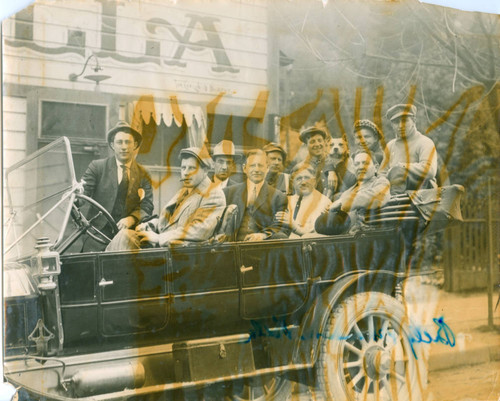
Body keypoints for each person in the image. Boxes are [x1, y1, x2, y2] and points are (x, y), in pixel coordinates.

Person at [106, 147, 225, 250]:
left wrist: (159, 238)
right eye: (183, 168)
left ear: (205, 171)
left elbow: (199, 230)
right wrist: (150, 225)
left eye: (191, 168)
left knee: (126, 238)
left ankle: (105, 276)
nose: (186, 173)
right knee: (124, 235)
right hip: (166, 246)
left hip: (180, 253)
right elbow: (169, 221)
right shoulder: (185, 191)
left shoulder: (213, 194)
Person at [81, 121, 153, 251]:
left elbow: (147, 206)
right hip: (97, 233)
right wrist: (76, 195)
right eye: (119, 142)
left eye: (128, 142)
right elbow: (83, 193)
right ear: (112, 145)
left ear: (135, 145)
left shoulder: (143, 174)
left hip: (126, 235)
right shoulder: (97, 167)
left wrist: (132, 219)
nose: (124, 147)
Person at [315, 150, 391, 235]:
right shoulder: (347, 192)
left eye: (365, 163)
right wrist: (329, 213)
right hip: (347, 238)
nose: (360, 167)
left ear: (376, 167)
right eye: (356, 164)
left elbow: (376, 196)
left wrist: (341, 202)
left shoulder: (381, 183)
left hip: (372, 236)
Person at [223, 149, 290, 241]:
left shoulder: (278, 197)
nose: (256, 169)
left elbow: (281, 227)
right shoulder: (228, 193)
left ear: (267, 168)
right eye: (252, 165)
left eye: (260, 166)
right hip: (232, 248)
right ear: (244, 168)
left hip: (261, 249)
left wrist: (263, 235)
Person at [380, 104, 437, 195]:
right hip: (394, 192)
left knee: (398, 170)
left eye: (404, 121)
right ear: (391, 125)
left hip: (421, 194)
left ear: (414, 120)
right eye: (396, 122)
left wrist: (402, 167)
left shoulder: (425, 142)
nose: (400, 126)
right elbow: (382, 173)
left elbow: (430, 171)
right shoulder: (390, 146)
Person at [275, 163, 331, 238]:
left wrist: (294, 227)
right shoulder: (287, 200)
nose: (303, 182)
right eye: (299, 179)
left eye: (307, 178)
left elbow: (315, 233)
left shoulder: (323, 201)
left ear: (314, 181)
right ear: (292, 182)